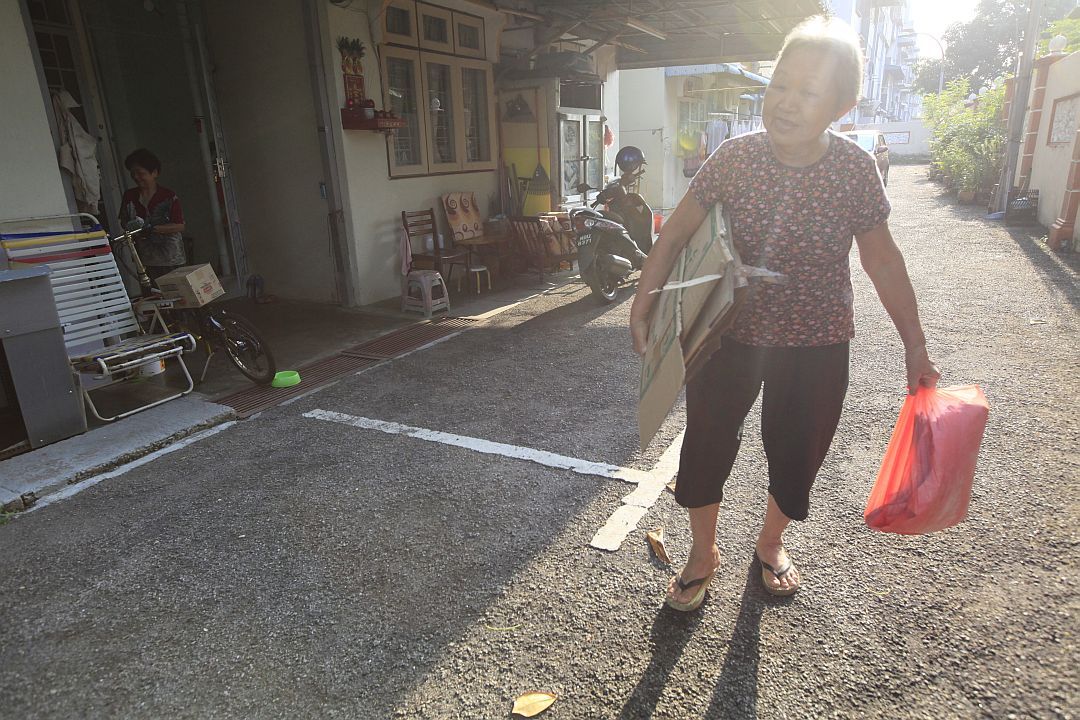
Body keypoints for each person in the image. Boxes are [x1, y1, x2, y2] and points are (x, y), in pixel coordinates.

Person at [628, 17, 940, 610]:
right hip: (727, 334)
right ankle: (703, 554)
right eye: (780, 86)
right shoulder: (733, 158)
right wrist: (644, 304)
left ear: (842, 106)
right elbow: (672, 239)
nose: (787, 103)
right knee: (706, 445)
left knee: (797, 450)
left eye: (809, 91)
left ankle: (770, 545)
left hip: (818, 341)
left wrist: (915, 344)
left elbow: (883, 259)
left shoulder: (853, 170)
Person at [118, 148, 186, 279]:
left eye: (140, 173)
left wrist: (152, 229)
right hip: (145, 258)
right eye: (133, 173)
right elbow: (124, 221)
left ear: (154, 173)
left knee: (176, 294)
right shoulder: (129, 196)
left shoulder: (168, 196)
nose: (136, 177)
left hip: (170, 257)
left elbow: (180, 225)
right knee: (151, 294)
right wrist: (132, 227)